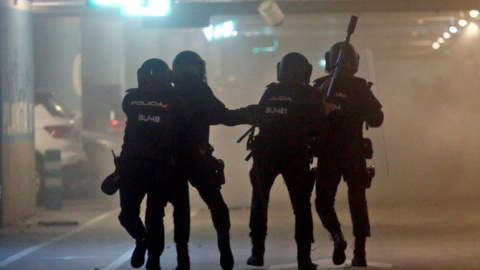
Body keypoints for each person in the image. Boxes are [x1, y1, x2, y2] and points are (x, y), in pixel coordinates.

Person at [169, 50, 255, 270]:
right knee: (216, 204)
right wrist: (250, 114)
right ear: (193, 68)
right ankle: (224, 246)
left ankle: (182, 259)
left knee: (180, 210)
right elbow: (222, 116)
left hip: (173, 161)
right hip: (198, 158)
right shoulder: (199, 89)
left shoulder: (168, 91)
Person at [246, 52, 326, 270]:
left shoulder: (271, 91)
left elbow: (259, 116)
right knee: (301, 206)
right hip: (295, 155)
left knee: (260, 203)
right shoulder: (309, 94)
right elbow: (319, 125)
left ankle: (257, 253)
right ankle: (304, 258)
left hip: (265, 155)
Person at [312, 42, 384, 267]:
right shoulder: (360, 86)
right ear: (354, 62)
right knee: (358, 202)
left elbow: (306, 119)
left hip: (327, 155)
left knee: (323, 201)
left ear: (328, 60)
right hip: (353, 154)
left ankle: (337, 237)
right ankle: (360, 252)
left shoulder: (319, 87)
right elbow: (377, 119)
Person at [116, 58, 191, 270]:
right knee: (153, 216)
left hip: (136, 165)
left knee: (129, 214)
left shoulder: (130, 99)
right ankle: (149, 251)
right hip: (158, 167)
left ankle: (147, 249)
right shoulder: (176, 100)